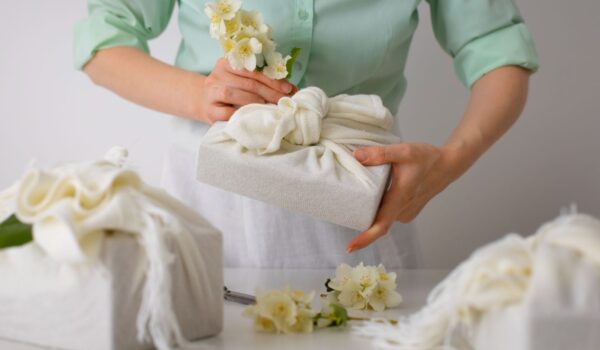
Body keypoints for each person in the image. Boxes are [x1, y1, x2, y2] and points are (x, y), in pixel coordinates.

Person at [74, 0, 539, 268]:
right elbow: (102, 38)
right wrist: (201, 95)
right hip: (210, 197)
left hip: (361, 192)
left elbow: (495, 46)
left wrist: (451, 160)